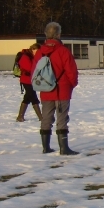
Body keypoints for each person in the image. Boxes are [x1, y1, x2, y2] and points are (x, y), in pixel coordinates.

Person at [32, 22, 79, 155]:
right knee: (62, 118)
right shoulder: (63, 51)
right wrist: (72, 84)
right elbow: (71, 71)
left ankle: (45, 147)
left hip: (45, 90)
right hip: (62, 90)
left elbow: (34, 71)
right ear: (58, 34)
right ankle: (64, 148)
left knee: (46, 118)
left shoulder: (40, 52)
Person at [16, 43, 43, 122]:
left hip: (30, 80)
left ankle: (20, 116)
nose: (37, 53)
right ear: (33, 49)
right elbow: (31, 68)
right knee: (33, 97)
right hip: (26, 80)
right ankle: (41, 117)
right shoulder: (25, 57)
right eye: (36, 51)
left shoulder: (31, 56)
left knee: (27, 98)